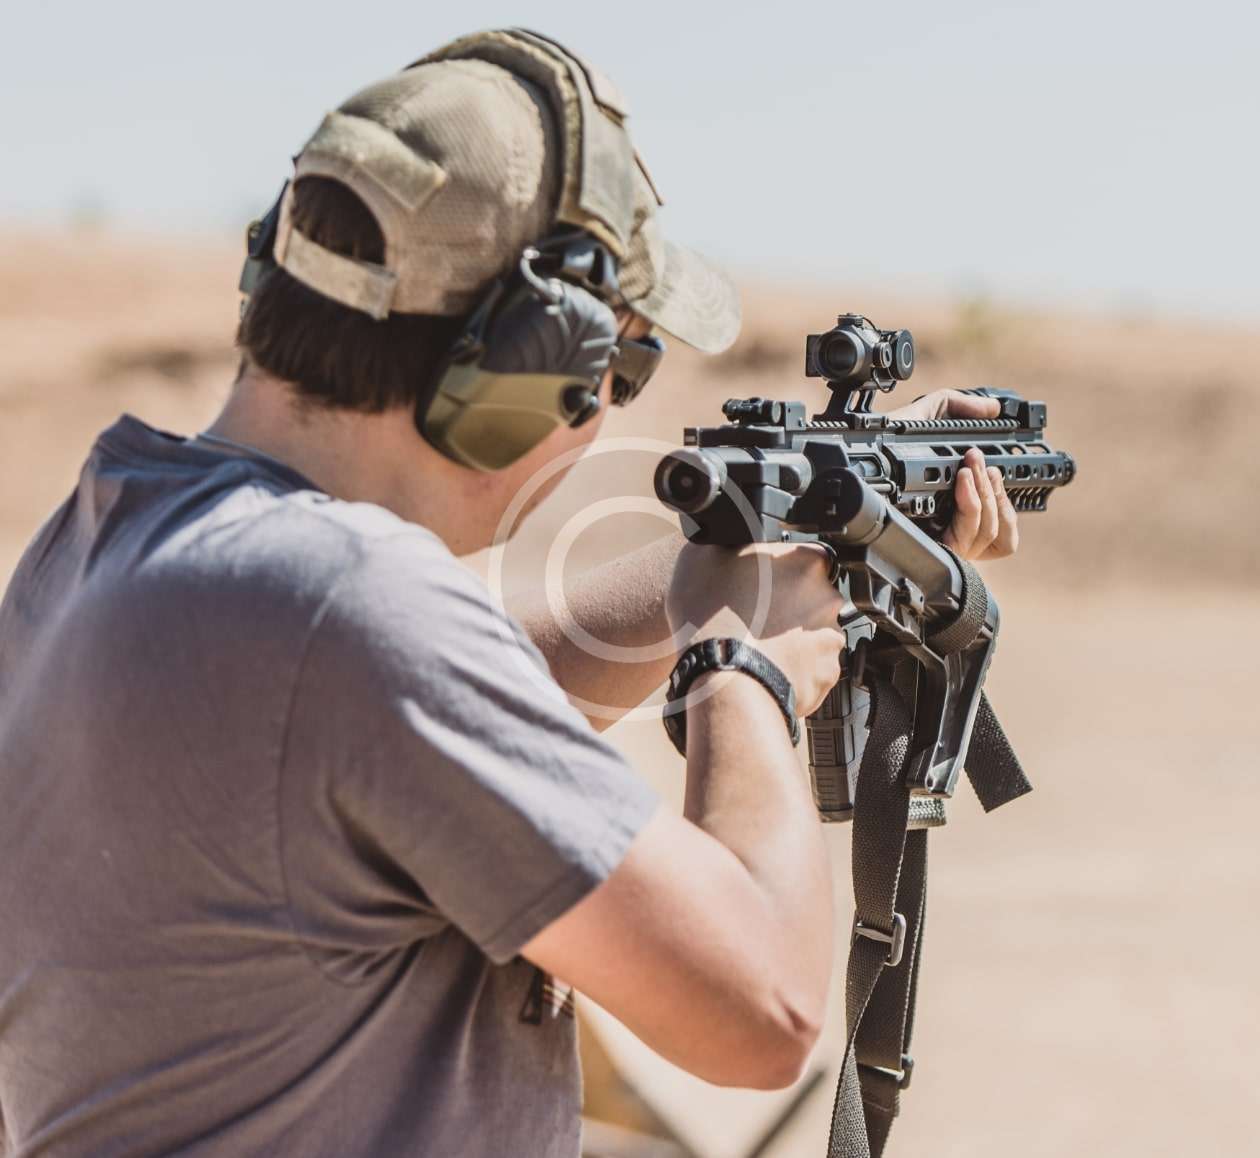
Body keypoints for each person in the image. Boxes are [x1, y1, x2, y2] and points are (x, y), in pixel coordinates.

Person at [0, 30, 1019, 1158]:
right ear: (528, 368)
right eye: (619, 368)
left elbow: (450, 711)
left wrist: (799, 532)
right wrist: (746, 675)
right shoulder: (346, 614)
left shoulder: (109, 544)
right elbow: (764, 1013)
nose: (606, 413)